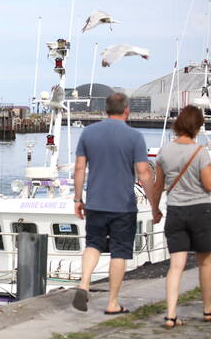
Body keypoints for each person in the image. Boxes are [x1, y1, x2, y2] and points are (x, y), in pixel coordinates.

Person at [72, 92, 161, 313]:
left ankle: (84, 283)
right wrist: (154, 204)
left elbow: (79, 169)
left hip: (95, 202)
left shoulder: (88, 133)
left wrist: (77, 199)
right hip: (123, 205)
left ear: (106, 110)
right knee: (119, 252)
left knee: (93, 244)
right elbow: (144, 174)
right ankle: (112, 303)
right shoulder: (134, 137)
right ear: (127, 110)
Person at [154, 105, 211, 329]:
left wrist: (155, 210)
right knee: (205, 263)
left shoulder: (164, 151)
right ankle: (208, 311)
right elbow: (208, 184)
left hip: (175, 211)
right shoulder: (200, 151)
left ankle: (170, 315)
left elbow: (158, 186)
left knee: (176, 265)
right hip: (200, 211)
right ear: (197, 127)